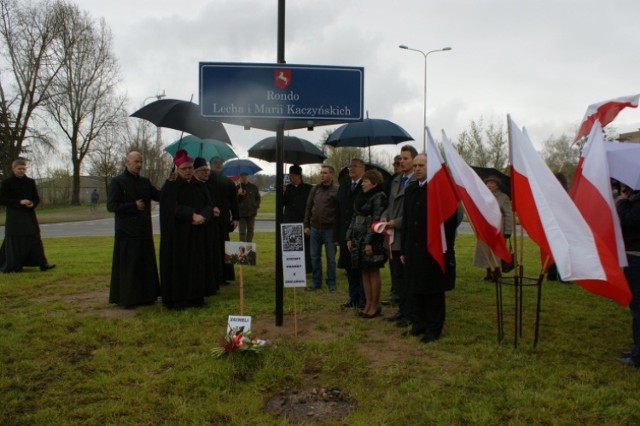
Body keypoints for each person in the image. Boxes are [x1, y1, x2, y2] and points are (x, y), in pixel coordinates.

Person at [401, 154, 459, 343]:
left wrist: (444, 248)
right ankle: (418, 324)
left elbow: (449, 222)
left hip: (433, 247)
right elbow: (407, 221)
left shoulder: (439, 190)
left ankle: (434, 328)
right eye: (415, 165)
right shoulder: (410, 189)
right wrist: (403, 249)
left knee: (433, 290)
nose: (417, 168)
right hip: (413, 248)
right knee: (415, 288)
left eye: (422, 165)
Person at [159, 149, 216, 310]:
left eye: (190, 168)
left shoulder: (199, 186)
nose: (188, 171)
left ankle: (196, 296)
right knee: (180, 266)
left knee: (196, 265)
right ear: (177, 169)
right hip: (178, 236)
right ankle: (179, 299)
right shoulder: (171, 187)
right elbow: (171, 207)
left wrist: (203, 216)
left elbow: (209, 204)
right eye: (185, 168)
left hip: (197, 233)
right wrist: (191, 215)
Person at [106, 151, 160, 308]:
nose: (139, 165)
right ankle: (129, 299)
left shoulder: (145, 182)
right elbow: (111, 206)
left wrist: (170, 183)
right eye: (136, 161)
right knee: (130, 267)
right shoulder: (117, 182)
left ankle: (147, 296)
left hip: (144, 231)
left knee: (144, 264)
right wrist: (132, 206)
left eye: (141, 162)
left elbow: (158, 195)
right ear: (126, 162)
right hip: (127, 233)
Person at [382, 145, 417, 327]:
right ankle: (402, 310)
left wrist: (397, 222)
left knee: (408, 276)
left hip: (407, 235)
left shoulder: (416, 182)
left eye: (406, 158)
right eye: (400, 159)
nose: (401, 162)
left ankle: (410, 313)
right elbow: (390, 204)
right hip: (392, 236)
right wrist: (385, 216)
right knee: (398, 276)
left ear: (414, 160)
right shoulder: (397, 180)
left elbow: (414, 213)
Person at [0, 159, 55, 273]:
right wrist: (19, 202)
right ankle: (14, 266)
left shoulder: (30, 182)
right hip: (15, 216)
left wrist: (32, 204)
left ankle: (42, 264)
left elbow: (36, 198)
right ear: (13, 169)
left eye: (24, 169)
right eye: (19, 169)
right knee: (15, 240)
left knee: (34, 238)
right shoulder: (7, 183)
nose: (22, 171)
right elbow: (2, 199)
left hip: (29, 215)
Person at [346, 169, 388, 318]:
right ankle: (368, 303)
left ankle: (375, 305)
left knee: (373, 271)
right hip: (358, 237)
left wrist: (369, 243)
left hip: (372, 239)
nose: (362, 184)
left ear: (374, 183)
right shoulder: (360, 196)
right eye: (362, 181)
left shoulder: (379, 196)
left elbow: (377, 220)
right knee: (364, 270)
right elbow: (354, 217)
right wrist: (349, 237)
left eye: (365, 181)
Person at [335, 158, 366, 309]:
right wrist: (337, 236)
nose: (351, 169)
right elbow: (338, 211)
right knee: (349, 267)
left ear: (362, 169)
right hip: (344, 233)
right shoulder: (344, 186)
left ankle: (362, 299)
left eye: (354, 166)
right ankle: (353, 297)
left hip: (359, 234)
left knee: (359, 268)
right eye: (349, 167)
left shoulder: (366, 186)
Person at [304, 164, 338, 291]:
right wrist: (306, 225)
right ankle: (316, 282)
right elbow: (308, 207)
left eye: (325, 173)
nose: (322, 175)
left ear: (331, 174)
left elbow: (339, 212)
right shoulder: (315, 189)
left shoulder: (336, 190)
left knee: (331, 258)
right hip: (314, 228)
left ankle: (331, 283)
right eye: (321, 173)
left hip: (330, 229)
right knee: (314, 256)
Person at [616, 188, 640, 367]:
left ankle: (638, 355)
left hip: (636, 257)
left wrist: (622, 202)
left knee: (638, 307)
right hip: (634, 254)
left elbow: (633, 220)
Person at [472, 175, 513, 281]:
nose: (489, 185)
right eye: (488, 183)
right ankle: (488, 273)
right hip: (485, 229)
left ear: (497, 185)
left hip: (497, 230)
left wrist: (508, 230)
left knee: (496, 252)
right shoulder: (482, 196)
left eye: (492, 183)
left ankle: (497, 274)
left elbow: (508, 214)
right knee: (485, 251)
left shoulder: (504, 197)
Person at [208, 157, 239, 284]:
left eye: (220, 163)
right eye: (215, 163)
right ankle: (213, 276)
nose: (218, 165)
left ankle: (225, 276)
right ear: (210, 165)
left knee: (225, 248)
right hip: (209, 220)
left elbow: (234, 201)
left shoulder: (228, 182)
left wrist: (236, 217)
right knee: (212, 248)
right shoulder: (205, 181)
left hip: (224, 219)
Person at [194, 156, 223, 288]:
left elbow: (211, 203)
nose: (207, 172)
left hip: (210, 227)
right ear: (196, 172)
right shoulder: (193, 186)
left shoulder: (207, 186)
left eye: (207, 170)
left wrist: (214, 208)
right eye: (203, 170)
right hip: (198, 228)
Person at [283, 164, 312, 272]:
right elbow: (282, 203)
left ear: (298, 176)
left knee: (305, 247)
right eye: (289, 175)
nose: (290, 178)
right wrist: (282, 194)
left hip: (303, 221)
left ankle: (307, 268)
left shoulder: (308, 188)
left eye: (291, 175)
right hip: (289, 221)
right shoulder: (288, 188)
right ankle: (291, 268)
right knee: (290, 246)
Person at [236, 172, 261, 242]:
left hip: (251, 213)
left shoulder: (254, 187)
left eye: (245, 176)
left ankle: (249, 245)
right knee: (242, 232)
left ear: (248, 177)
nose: (243, 178)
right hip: (241, 214)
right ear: (240, 178)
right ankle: (243, 246)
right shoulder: (237, 187)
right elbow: (234, 201)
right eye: (242, 176)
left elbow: (258, 198)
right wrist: (238, 194)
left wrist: (255, 206)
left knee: (250, 231)